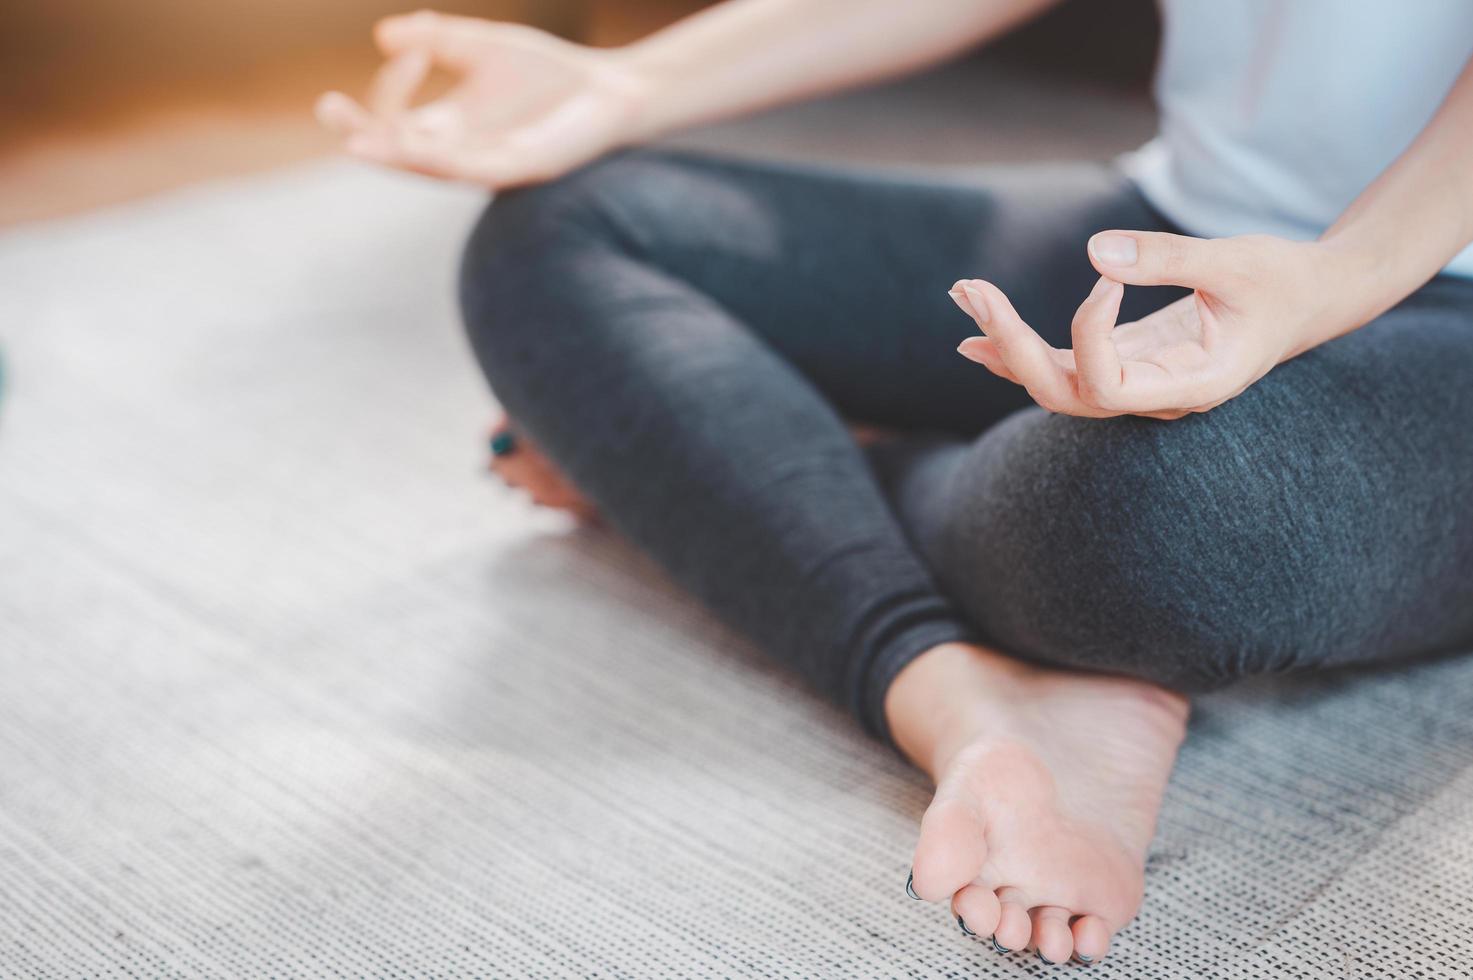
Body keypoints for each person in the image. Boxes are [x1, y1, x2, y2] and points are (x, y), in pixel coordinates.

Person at [317, 0, 1473, 966]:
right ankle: (958, 691)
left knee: (1170, 521)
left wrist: (1334, 281)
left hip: (1439, 293)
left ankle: (796, 456)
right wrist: (625, 85)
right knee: (562, 228)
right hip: (1178, 226)